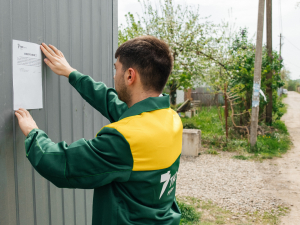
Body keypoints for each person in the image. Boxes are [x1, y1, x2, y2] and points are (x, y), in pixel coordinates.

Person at [15, 36, 182, 225]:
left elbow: (63, 164)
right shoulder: (171, 119)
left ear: (129, 76)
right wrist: (72, 73)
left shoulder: (124, 140)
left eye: (116, 68)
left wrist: (33, 133)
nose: (114, 75)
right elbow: (112, 103)